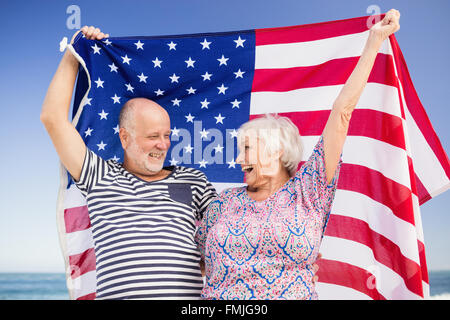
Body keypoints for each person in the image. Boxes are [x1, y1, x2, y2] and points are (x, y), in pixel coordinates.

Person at [41, 26, 322, 299]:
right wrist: (73, 54)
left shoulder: (194, 181)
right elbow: (52, 118)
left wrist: (290, 265)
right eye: (153, 137)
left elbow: (232, 237)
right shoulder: (98, 174)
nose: (163, 145)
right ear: (124, 138)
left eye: (166, 135)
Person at [195, 9, 401, 299]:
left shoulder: (309, 191)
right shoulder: (221, 205)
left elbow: (342, 112)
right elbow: (194, 260)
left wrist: (374, 41)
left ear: (277, 150)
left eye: (247, 149)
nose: (240, 160)